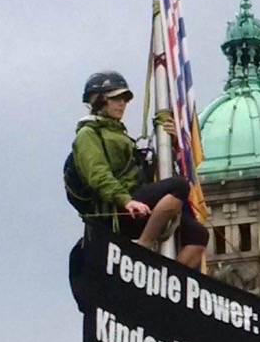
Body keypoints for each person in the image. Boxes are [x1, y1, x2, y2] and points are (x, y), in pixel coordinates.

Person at [73, 71, 208, 270]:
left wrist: (172, 143)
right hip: (118, 210)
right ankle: (142, 250)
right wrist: (126, 201)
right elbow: (98, 175)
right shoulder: (88, 134)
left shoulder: (120, 135)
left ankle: (172, 282)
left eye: (124, 99)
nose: (122, 104)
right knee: (179, 185)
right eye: (115, 99)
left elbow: (144, 173)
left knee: (199, 234)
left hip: (135, 202)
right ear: (98, 101)